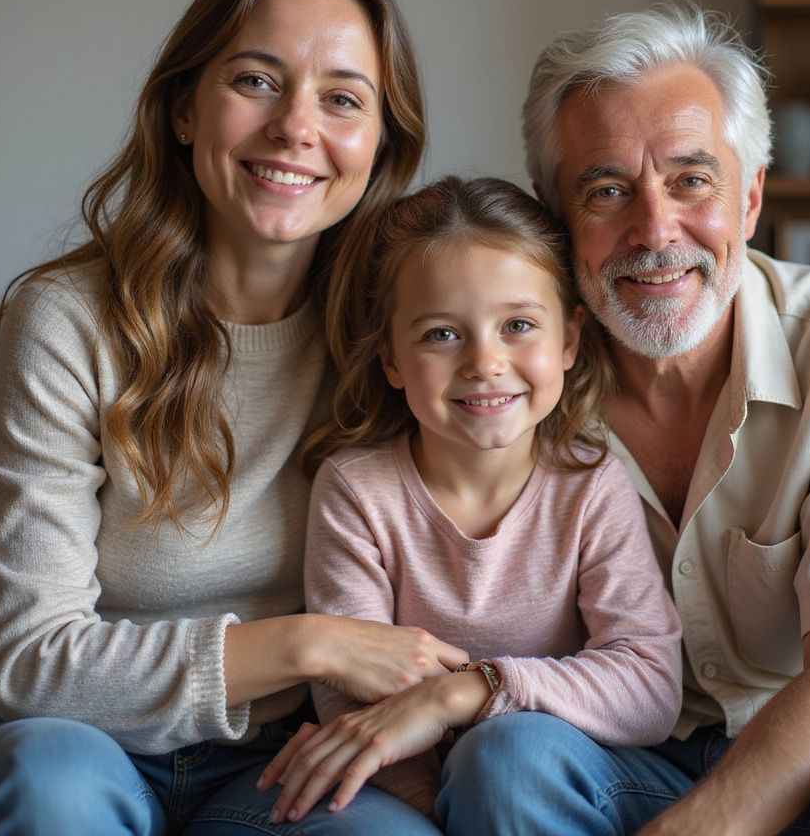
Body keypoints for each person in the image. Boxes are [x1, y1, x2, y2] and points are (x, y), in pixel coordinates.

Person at [0, 0, 468, 836]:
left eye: (342, 99)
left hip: (279, 757)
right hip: (65, 738)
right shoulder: (68, 318)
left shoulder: (396, 334)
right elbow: (33, 660)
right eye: (256, 81)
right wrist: (307, 642)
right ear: (185, 107)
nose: (296, 127)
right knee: (55, 792)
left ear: (381, 145)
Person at [436, 4, 810, 835]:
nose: (655, 232)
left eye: (691, 181)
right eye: (607, 190)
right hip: (629, 748)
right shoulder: (510, 375)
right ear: (553, 211)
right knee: (502, 766)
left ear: (750, 195)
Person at [255, 175, 683, 825]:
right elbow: (351, 702)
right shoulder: (357, 490)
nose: (484, 362)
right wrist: (436, 811)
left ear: (568, 341)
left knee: (506, 752)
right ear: (392, 358)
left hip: (545, 777)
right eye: (440, 335)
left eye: (517, 325)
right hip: (412, 790)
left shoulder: (592, 487)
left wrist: (463, 695)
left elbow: (650, 687)